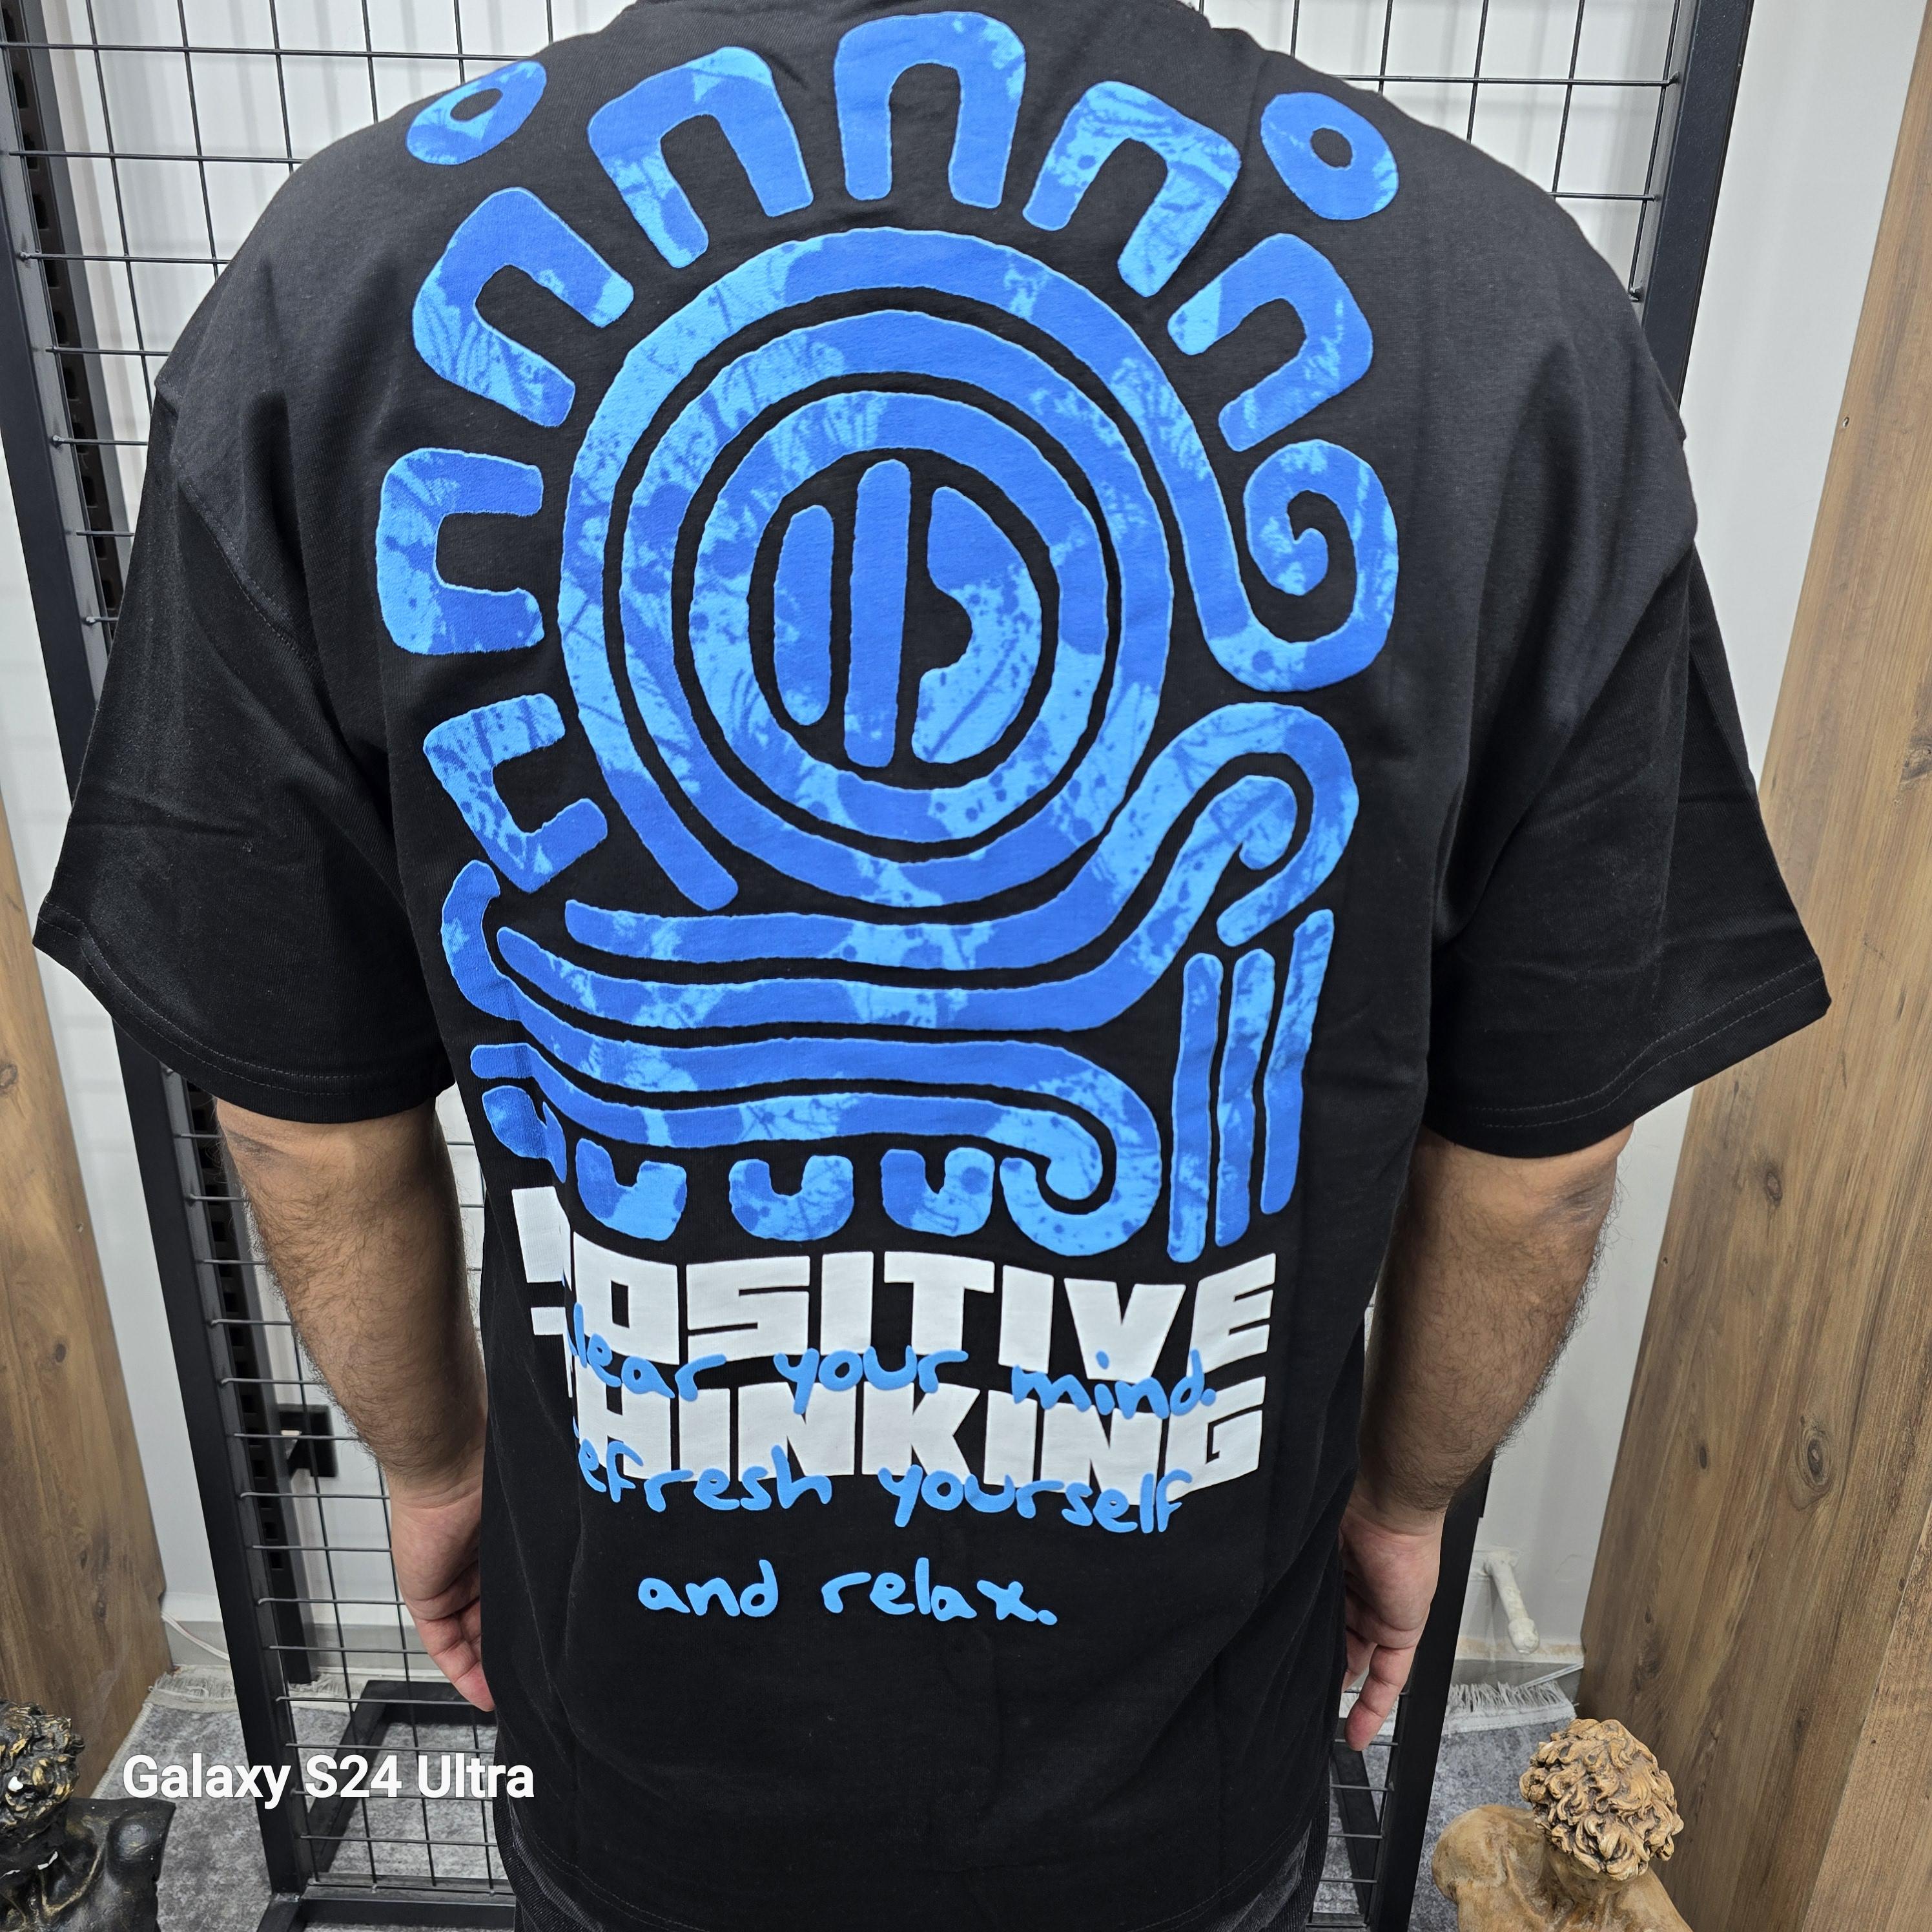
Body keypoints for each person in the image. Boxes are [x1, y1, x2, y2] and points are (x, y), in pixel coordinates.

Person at [34, 1, 1827, 1927]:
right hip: (1179, 1775)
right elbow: (1544, 1162)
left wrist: (436, 1465)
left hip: (642, 1736)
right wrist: (1402, 1504)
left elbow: (299, 1115)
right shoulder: (1502, 314)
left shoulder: (343, 284)